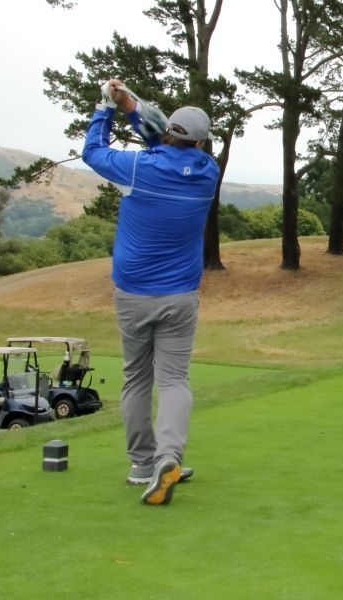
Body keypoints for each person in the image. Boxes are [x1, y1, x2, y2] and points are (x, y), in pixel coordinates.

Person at [82, 79, 219, 505]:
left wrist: (108, 107)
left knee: (137, 378)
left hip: (133, 294)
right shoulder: (208, 173)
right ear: (201, 142)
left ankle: (143, 464)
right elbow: (164, 139)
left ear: (169, 133)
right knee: (174, 379)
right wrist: (131, 103)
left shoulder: (138, 168)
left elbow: (93, 152)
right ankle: (168, 457)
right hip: (180, 297)